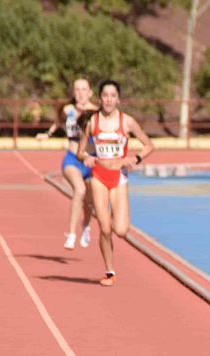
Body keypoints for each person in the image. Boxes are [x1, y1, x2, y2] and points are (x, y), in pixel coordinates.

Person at [77, 80, 155, 286]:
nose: (109, 99)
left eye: (113, 96)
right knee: (104, 228)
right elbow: (80, 151)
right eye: (105, 95)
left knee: (120, 230)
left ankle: (111, 215)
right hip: (98, 176)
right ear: (100, 98)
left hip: (119, 177)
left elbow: (149, 145)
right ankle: (110, 271)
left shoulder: (127, 122)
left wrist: (135, 159)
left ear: (118, 99)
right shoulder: (92, 122)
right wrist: (87, 157)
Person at [36, 78, 98, 250]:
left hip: (90, 161)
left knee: (89, 202)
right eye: (77, 90)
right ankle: (71, 234)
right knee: (79, 190)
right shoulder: (68, 110)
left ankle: (86, 225)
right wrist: (47, 134)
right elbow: (58, 122)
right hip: (71, 159)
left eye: (84, 89)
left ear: (90, 92)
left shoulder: (96, 112)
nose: (80, 93)